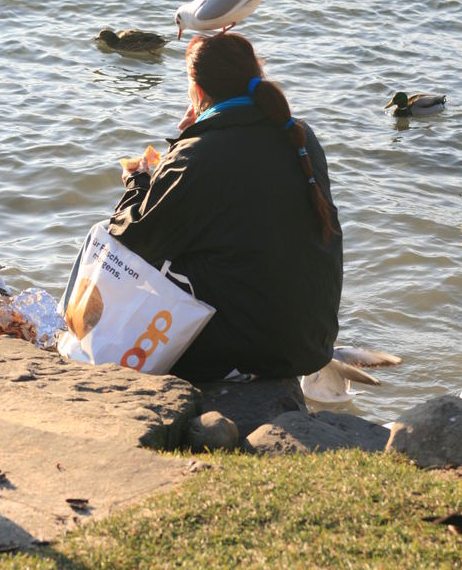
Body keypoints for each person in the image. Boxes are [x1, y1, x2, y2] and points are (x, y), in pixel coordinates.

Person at [107, 32, 343, 382]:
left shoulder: (197, 155)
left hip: (246, 352)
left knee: (124, 255)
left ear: (198, 92)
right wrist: (197, 136)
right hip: (311, 342)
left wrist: (138, 181)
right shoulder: (301, 136)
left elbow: (131, 240)